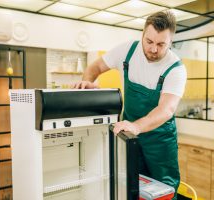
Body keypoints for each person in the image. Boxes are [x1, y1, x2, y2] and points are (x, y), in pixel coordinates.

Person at [73, 11, 186, 199]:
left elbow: (166, 109)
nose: (153, 49)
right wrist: (88, 84)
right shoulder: (127, 51)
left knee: (163, 192)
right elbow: (95, 67)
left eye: (161, 44)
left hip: (160, 141)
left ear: (171, 42)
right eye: (149, 42)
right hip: (129, 135)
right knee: (131, 186)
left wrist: (136, 126)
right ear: (142, 34)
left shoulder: (175, 69)